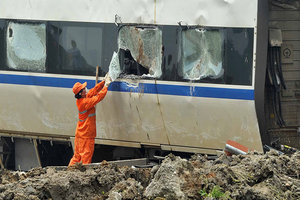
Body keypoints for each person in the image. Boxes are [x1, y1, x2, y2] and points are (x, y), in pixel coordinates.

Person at [68, 73, 112, 166]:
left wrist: (103, 82)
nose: (86, 89)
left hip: (80, 134)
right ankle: (84, 176)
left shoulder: (81, 100)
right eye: (84, 89)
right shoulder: (85, 102)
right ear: (81, 93)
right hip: (86, 135)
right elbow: (98, 97)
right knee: (86, 158)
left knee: (77, 157)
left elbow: (94, 91)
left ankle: (68, 172)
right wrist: (106, 86)